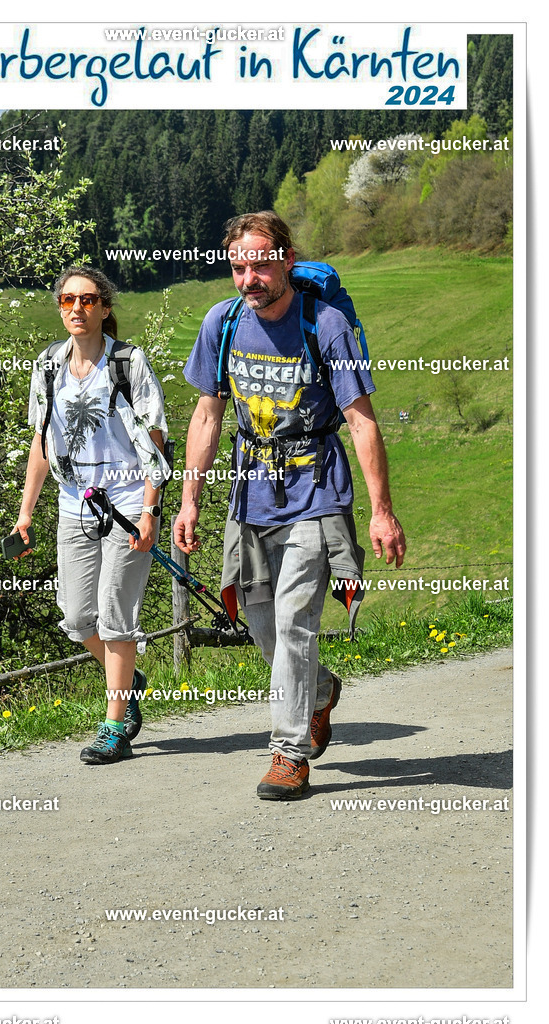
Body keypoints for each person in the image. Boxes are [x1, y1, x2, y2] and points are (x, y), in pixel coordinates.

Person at [174, 212, 406, 799]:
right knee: (263, 631)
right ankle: (320, 693)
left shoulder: (326, 326)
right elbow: (207, 415)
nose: (248, 278)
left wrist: (381, 510)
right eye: (237, 266)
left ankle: (288, 753)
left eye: (259, 263)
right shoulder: (222, 323)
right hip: (249, 496)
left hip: (315, 493)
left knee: (295, 621)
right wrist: (190, 501)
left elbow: (361, 421)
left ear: (286, 258)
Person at [13, 265, 170, 765]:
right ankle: (128, 680)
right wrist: (25, 513)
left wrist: (150, 511)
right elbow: (41, 442)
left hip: (126, 505)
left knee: (115, 614)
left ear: (105, 307)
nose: (76, 309)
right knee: (78, 616)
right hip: (73, 505)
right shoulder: (48, 366)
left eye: (86, 300)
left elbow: (155, 442)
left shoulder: (128, 363)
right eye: (66, 301)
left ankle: (114, 724)